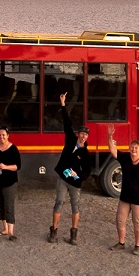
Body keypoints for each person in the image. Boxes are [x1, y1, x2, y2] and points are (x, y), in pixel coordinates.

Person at [49, 92, 94, 245]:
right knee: (59, 202)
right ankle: (54, 232)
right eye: (81, 133)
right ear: (78, 134)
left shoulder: (86, 153)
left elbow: (87, 172)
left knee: (75, 206)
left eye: (85, 135)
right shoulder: (70, 140)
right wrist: (63, 104)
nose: (83, 136)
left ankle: (73, 235)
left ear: (87, 137)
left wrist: (77, 175)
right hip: (62, 177)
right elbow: (67, 123)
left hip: (75, 182)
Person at [106, 125, 139, 255]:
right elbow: (113, 150)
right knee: (120, 219)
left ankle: (137, 246)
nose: (133, 149)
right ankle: (121, 243)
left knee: (137, 222)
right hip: (125, 197)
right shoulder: (125, 158)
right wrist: (109, 136)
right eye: (132, 147)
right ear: (129, 148)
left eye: (136, 148)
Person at [0, 127, 21, 240]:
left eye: (3, 135)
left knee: (9, 205)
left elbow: (17, 166)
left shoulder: (13, 149)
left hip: (10, 182)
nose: (1, 137)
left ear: (8, 136)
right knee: (0, 204)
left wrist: (5, 167)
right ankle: (5, 228)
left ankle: (11, 232)